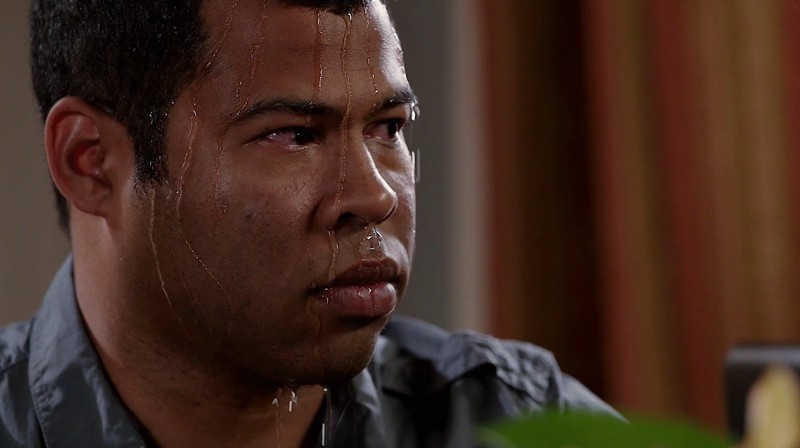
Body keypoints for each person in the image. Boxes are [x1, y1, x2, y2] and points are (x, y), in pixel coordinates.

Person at [0, 0, 617, 446]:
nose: (374, 197)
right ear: (92, 162)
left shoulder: (519, 424)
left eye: (388, 128)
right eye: (293, 135)